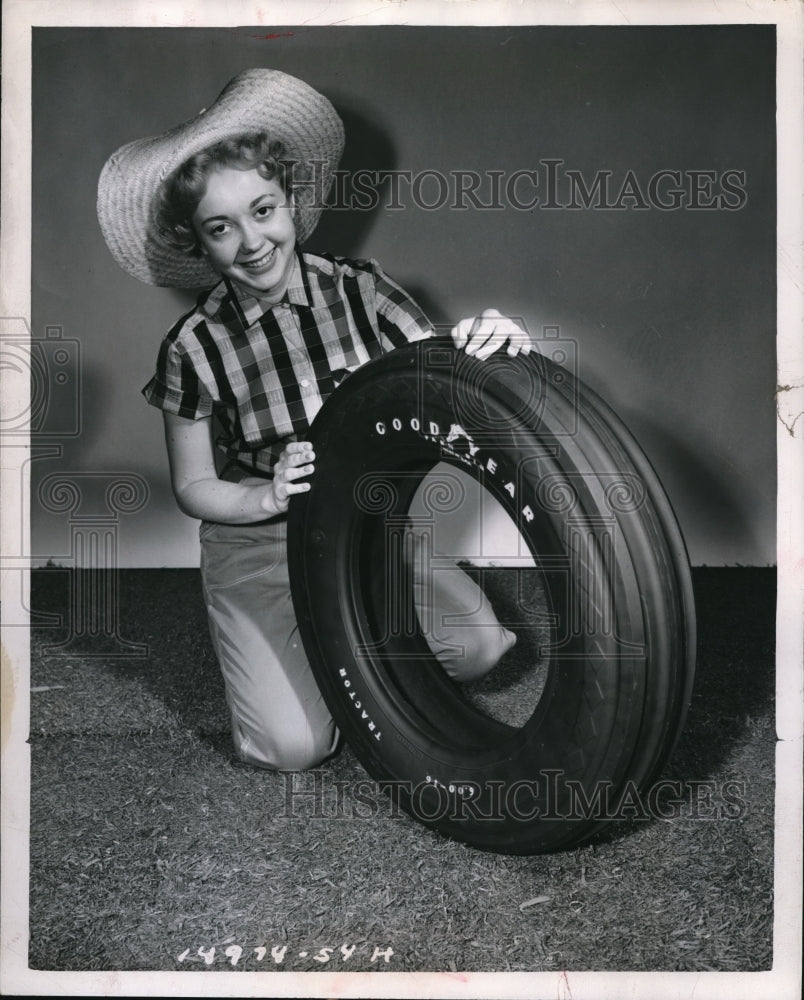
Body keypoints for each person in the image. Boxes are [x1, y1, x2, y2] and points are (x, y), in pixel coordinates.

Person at [97, 68, 533, 772]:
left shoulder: (361, 291)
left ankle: (336, 643)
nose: (251, 241)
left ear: (291, 201)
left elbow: (437, 374)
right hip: (258, 544)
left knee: (482, 647)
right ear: (198, 244)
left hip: (364, 529)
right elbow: (194, 488)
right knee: (293, 748)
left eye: (262, 210)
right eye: (221, 228)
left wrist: (489, 338)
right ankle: (290, 641)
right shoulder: (192, 348)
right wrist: (263, 498)